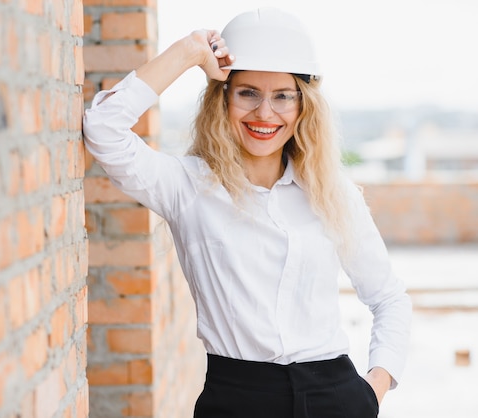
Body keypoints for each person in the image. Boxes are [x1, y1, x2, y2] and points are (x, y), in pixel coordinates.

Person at [83, 6, 411, 418]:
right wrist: (188, 52)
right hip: (237, 399)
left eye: (282, 96)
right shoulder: (187, 186)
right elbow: (103, 128)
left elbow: (389, 298)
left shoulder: (333, 194)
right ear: (223, 97)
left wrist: (372, 391)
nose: (265, 113)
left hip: (337, 396)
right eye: (248, 92)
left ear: (303, 105)